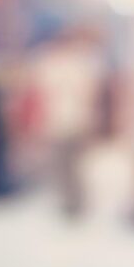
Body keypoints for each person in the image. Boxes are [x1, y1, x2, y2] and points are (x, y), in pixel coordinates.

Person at [33, 33, 102, 218]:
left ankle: (77, 202)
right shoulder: (51, 64)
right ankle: (68, 202)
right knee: (61, 165)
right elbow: (42, 94)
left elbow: (88, 94)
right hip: (57, 122)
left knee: (74, 165)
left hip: (74, 121)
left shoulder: (78, 64)